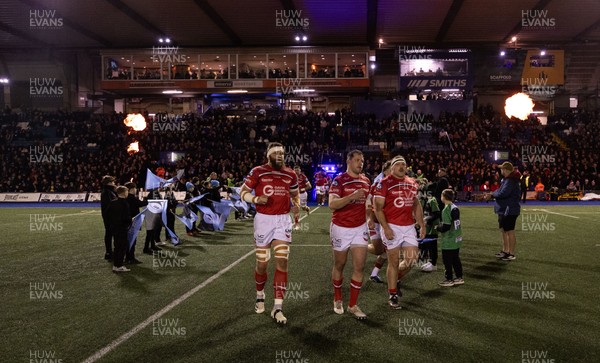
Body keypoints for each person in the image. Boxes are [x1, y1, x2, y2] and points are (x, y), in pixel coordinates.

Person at [240, 142, 300, 325]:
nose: (280, 155)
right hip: (263, 220)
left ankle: (278, 307)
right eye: (276, 153)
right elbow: (242, 192)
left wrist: (296, 204)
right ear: (268, 155)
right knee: (262, 264)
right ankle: (260, 295)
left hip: (282, 220)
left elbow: (295, 194)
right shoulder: (258, 171)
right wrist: (256, 198)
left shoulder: (291, 173)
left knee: (282, 261)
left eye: (282, 153)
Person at [373, 156, 425, 309]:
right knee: (393, 261)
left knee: (411, 259)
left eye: (404, 164)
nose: (402, 167)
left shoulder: (412, 182)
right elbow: (378, 208)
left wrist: (421, 224)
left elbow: (416, 203)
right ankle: (392, 294)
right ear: (392, 168)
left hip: (408, 226)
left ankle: (395, 280)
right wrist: (386, 228)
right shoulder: (383, 183)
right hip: (392, 226)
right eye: (398, 164)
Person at [328, 150, 371, 320]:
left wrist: (371, 218)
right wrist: (351, 197)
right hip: (341, 227)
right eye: (358, 160)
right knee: (340, 264)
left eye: (362, 160)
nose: (361, 163)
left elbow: (368, 203)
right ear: (349, 161)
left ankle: (352, 305)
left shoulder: (366, 181)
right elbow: (332, 204)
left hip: (360, 228)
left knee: (359, 266)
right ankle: (337, 297)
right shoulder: (339, 180)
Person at [487, 162, 521, 261]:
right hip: (505, 208)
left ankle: (511, 253)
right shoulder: (507, 180)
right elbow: (500, 191)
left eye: (502, 169)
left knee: (509, 231)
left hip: (509, 209)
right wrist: (493, 193)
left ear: (506, 170)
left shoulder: (510, 180)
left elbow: (503, 193)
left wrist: (492, 195)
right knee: (504, 230)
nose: (501, 170)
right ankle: (505, 251)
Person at [367, 160, 392, 283]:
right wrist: (370, 218)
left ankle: (374, 274)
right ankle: (358, 246)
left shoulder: (392, 181)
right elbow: (370, 202)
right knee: (379, 250)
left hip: (386, 221)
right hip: (376, 220)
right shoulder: (379, 182)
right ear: (386, 170)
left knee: (387, 250)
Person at [437, 189, 464, 286]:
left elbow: (446, 227)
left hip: (449, 240)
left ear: (443, 197)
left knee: (447, 261)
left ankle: (449, 279)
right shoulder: (455, 207)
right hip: (457, 238)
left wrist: (438, 228)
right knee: (456, 259)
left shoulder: (446, 209)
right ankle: (459, 277)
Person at [107, 186, 132, 272]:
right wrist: (130, 220)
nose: (127, 193)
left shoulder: (112, 202)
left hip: (114, 228)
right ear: (124, 193)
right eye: (127, 191)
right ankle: (119, 265)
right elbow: (126, 217)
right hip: (122, 228)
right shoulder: (125, 203)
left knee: (117, 246)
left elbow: (108, 215)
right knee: (122, 247)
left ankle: (116, 265)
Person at [419, 182, 441, 272]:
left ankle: (433, 263)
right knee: (429, 244)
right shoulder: (427, 200)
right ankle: (431, 261)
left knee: (433, 245)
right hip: (428, 226)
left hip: (432, 226)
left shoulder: (432, 200)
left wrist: (427, 220)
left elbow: (436, 213)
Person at [124, 182, 147, 264]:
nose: (136, 190)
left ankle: (128, 257)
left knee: (129, 240)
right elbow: (140, 204)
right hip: (132, 221)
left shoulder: (126, 197)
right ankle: (130, 258)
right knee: (132, 241)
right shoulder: (131, 198)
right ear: (131, 189)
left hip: (128, 221)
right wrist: (147, 200)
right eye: (134, 188)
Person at [100, 175, 117, 260]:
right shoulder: (107, 192)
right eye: (113, 182)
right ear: (109, 183)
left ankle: (109, 251)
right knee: (109, 234)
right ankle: (109, 252)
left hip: (109, 216)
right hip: (109, 216)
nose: (114, 183)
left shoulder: (109, 191)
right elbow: (110, 205)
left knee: (109, 234)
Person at [293, 165, 312, 230]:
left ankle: (307, 208)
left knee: (303, 207)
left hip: (302, 194)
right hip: (295, 195)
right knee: (296, 209)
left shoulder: (303, 177)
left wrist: (303, 189)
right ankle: (296, 224)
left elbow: (309, 186)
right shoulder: (292, 176)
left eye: (297, 170)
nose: (296, 171)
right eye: (295, 170)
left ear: (300, 170)